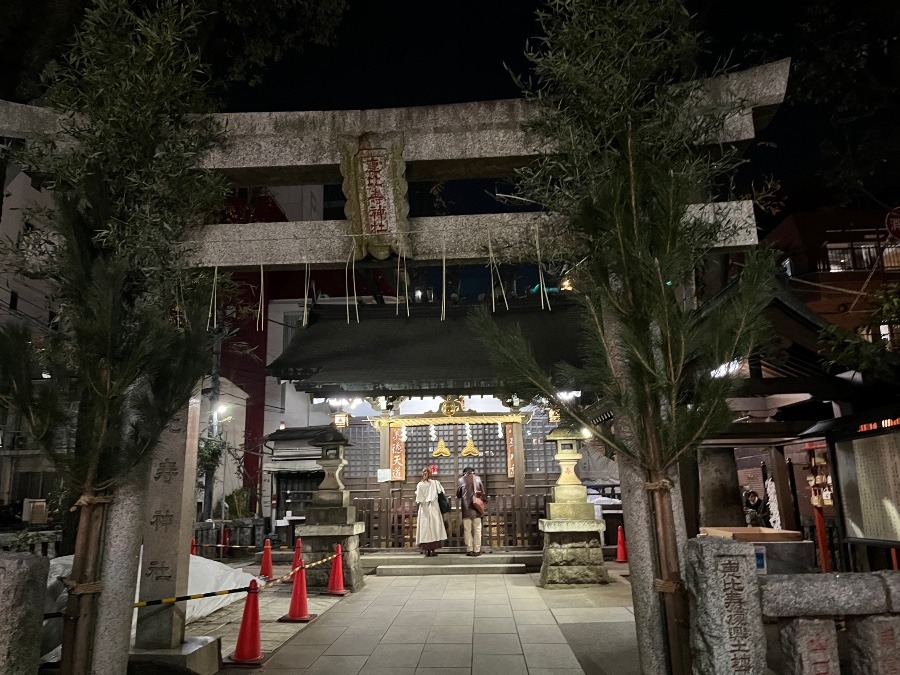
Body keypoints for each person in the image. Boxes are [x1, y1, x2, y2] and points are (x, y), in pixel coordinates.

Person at [415, 468, 447, 557]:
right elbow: (441, 492)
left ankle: (427, 550)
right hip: (434, 507)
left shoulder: (420, 485)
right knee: (434, 527)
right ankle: (432, 549)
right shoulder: (435, 483)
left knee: (425, 529)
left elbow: (418, 498)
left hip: (424, 508)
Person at [456, 466, 486, 557]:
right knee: (477, 530)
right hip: (476, 509)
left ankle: (470, 550)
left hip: (466, 509)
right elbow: (483, 493)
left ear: (464, 473)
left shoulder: (461, 480)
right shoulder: (478, 479)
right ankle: (477, 550)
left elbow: (458, 494)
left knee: (467, 530)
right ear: (473, 472)